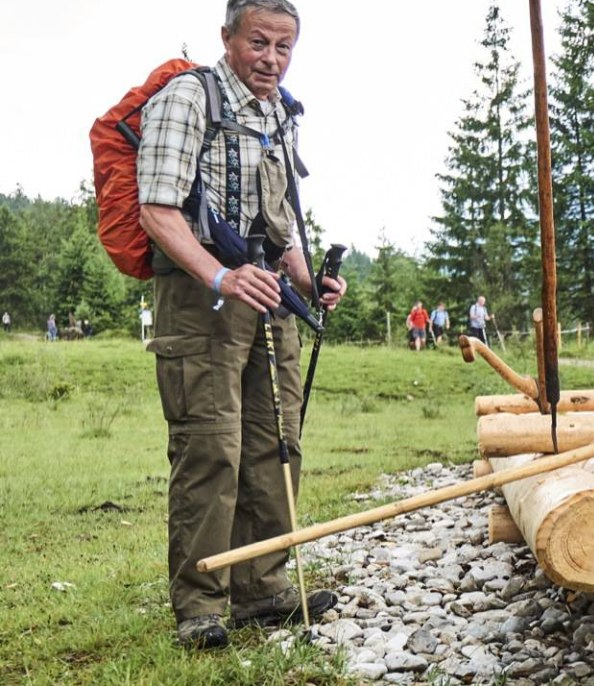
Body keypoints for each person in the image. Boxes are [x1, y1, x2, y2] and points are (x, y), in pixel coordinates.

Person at [136, 0, 343, 650]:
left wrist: (311, 282)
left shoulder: (280, 112)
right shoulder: (187, 98)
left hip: (270, 299)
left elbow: (278, 223)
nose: (272, 59)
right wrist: (221, 276)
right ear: (227, 37)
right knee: (211, 450)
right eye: (260, 43)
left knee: (275, 443)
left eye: (285, 47)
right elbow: (158, 211)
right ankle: (200, 604)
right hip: (201, 302)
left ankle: (263, 586)